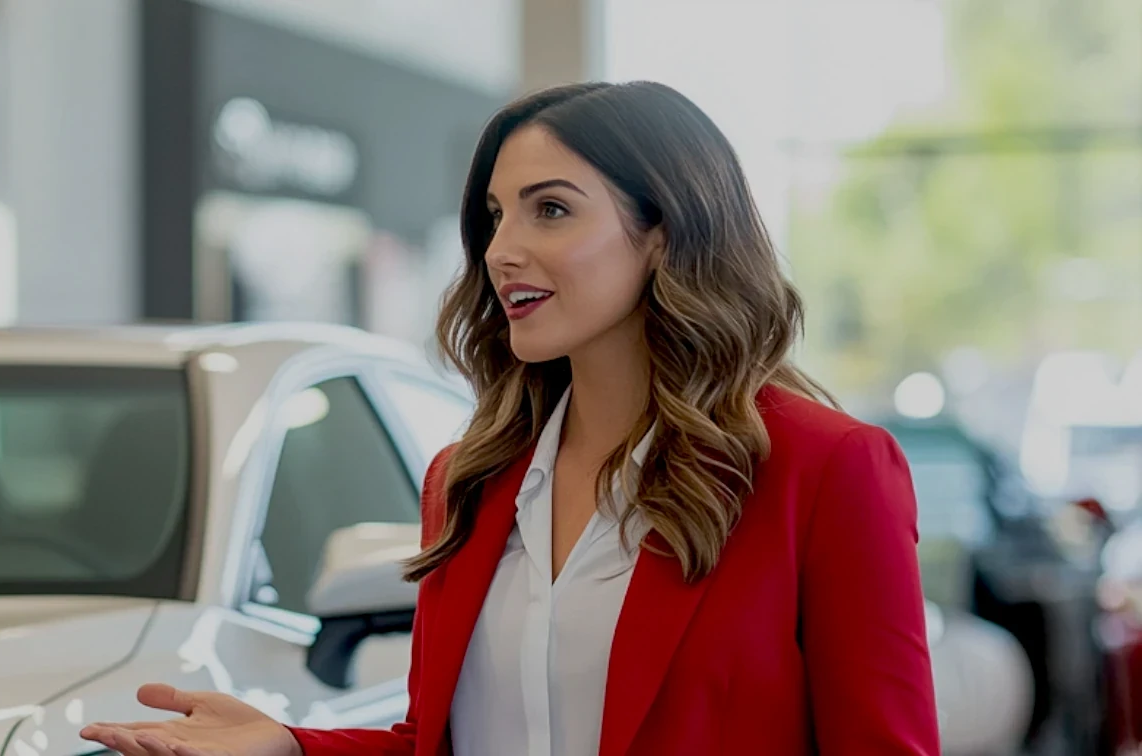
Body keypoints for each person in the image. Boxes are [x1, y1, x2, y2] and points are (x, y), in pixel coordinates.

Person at [81, 81, 939, 756]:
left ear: (666, 231)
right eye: (496, 215)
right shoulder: (468, 482)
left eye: (551, 209)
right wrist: (292, 746)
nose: (500, 250)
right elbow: (441, 745)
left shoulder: (823, 470)